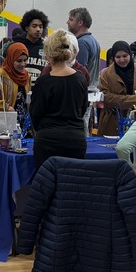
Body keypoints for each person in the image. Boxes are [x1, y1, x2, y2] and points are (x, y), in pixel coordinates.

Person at [29, 30, 90, 172]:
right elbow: (83, 108)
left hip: (49, 140)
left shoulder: (44, 82)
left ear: (48, 54)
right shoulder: (80, 78)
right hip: (75, 139)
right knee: (72, 186)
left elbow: (35, 114)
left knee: (47, 187)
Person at [97, 41, 136, 136]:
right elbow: (106, 97)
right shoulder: (106, 74)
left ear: (130, 55)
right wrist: (134, 99)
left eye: (125, 56)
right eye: (118, 57)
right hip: (112, 121)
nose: (122, 60)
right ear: (113, 58)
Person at [0, 42, 31, 121]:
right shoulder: (1, 75)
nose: (23, 64)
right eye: (19, 61)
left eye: (25, 60)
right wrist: (6, 107)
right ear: (11, 59)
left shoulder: (26, 75)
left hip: (23, 121)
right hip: (4, 121)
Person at [66, 7, 100, 86]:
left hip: (84, 89)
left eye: (71, 20)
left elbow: (79, 73)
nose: (67, 22)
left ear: (80, 23)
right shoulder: (93, 40)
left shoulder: (81, 43)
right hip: (92, 89)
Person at [13, 9, 48, 84]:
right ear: (26, 28)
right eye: (34, 26)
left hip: (40, 89)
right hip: (20, 87)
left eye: (40, 27)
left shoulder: (47, 47)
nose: (38, 29)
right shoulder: (16, 46)